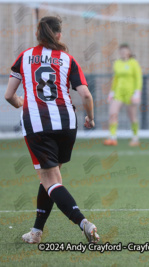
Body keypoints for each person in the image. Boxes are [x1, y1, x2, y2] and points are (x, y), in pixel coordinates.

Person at [4, 16, 100, 243]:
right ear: (58, 35)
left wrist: (20, 102)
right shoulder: (67, 59)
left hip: (38, 124)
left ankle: (83, 222)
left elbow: (9, 95)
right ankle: (36, 232)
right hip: (67, 123)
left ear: (38, 35)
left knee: (50, 179)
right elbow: (85, 94)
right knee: (48, 177)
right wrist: (90, 117)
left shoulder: (25, 57)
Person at [103, 44, 143, 147]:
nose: (123, 53)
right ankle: (112, 137)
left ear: (129, 52)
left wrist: (137, 93)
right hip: (118, 92)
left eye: (125, 51)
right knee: (112, 113)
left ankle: (135, 138)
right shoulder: (117, 63)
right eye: (121, 51)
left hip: (130, 93)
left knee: (132, 116)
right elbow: (115, 78)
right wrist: (112, 92)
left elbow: (138, 78)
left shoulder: (133, 63)